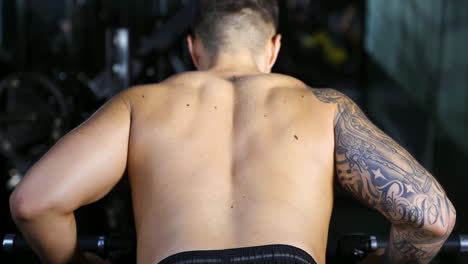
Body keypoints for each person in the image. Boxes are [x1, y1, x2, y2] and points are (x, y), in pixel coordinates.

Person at [9, 0, 456, 264]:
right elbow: (431, 219)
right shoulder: (326, 108)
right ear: (274, 47)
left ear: (193, 48)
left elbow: (33, 205)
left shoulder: (141, 104)